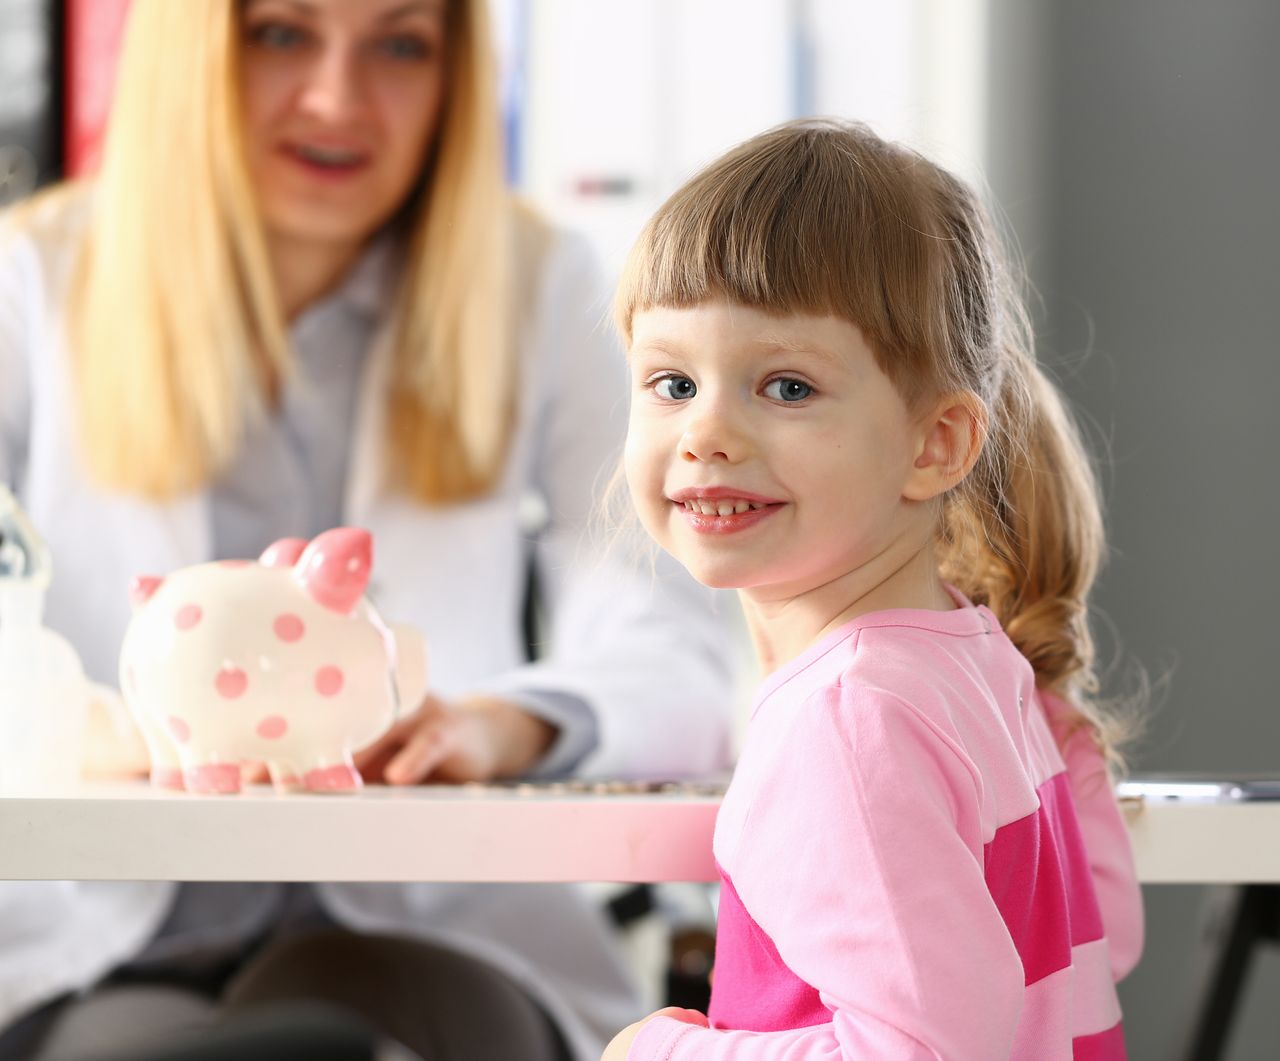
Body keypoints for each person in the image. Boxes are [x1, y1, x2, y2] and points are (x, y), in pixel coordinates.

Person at [0, 1, 733, 1059]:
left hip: (432, 926)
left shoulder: (544, 288)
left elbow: (674, 645)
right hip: (106, 935)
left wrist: (506, 723)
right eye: (281, 34)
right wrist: (101, 729)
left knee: (360, 1004)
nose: (339, 99)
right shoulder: (32, 281)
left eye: (399, 45)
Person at [602, 118, 1144, 1059]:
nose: (707, 433)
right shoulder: (977, 668)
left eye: (787, 387)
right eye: (672, 382)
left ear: (935, 445)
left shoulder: (845, 720)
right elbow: (1109, 937)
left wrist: (662, 1052)